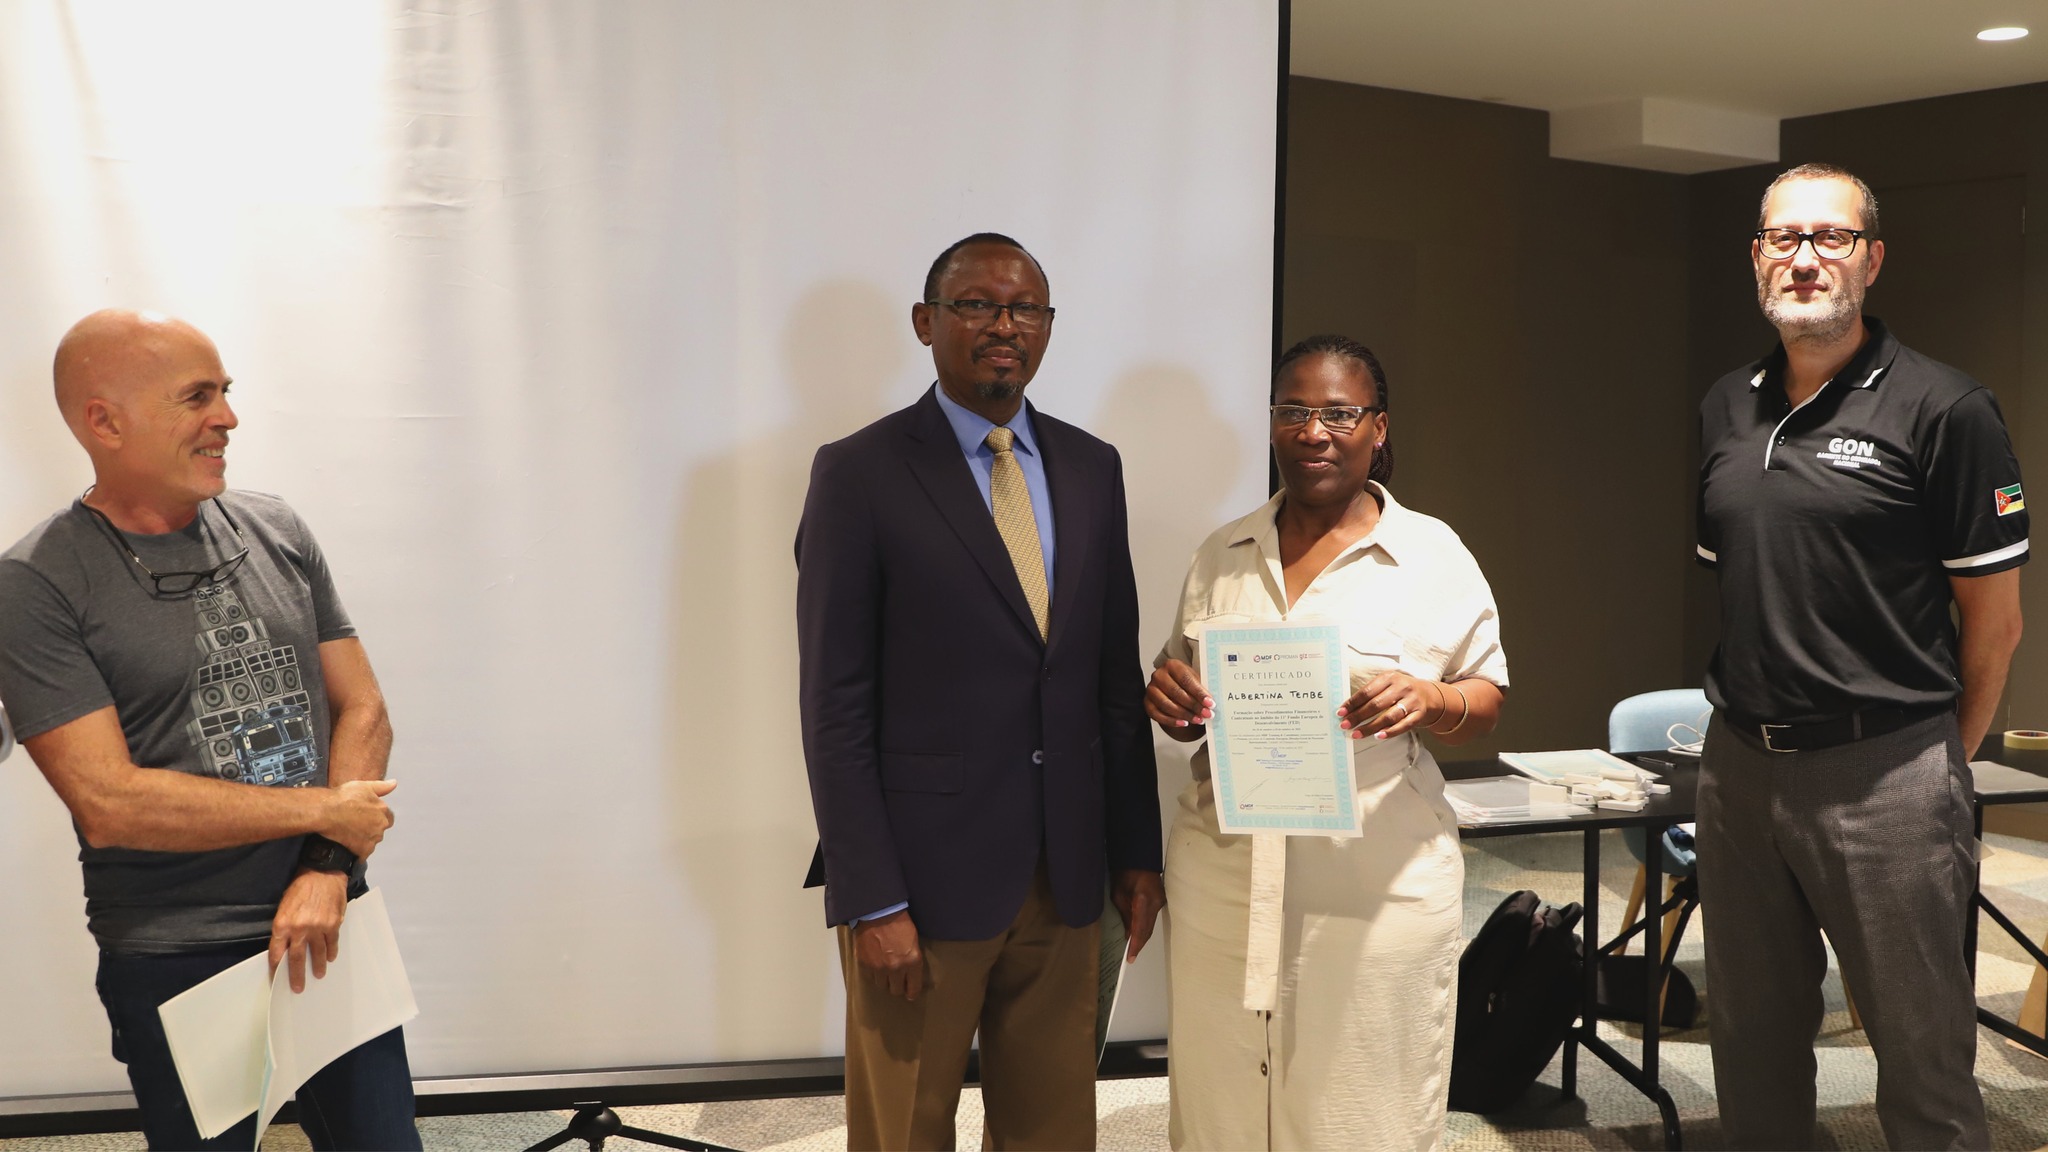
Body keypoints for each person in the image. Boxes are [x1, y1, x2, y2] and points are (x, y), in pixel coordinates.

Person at [0, 310, 419, 1151]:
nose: (227, 417)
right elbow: (110, 803)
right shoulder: (36, 584)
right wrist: (328, 814)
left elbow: (363, 706)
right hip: (178, 953)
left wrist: (327, 866)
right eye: (197, 397)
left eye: (224, 392)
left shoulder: (276, 528)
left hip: (330, 917)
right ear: (105, 422)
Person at [795, 233, 1165, 1149]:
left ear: (1048, 327)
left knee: (1054, 1131)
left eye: (1025, 308)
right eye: (977, 305)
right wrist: (871, 897)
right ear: (926, 323)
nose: (1005, 325)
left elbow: (1112, 679)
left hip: (1067, 875)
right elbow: (835, 707)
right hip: (919, 886)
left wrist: (1136, 852)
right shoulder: (860, 472)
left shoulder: (1092, 466)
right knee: (905, 1130)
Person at [1694, 163, 2025, 1149]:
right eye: (1783, 237)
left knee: (1921, 1062)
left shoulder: (1946, 409)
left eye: (1829, 237)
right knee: (1749, 1047)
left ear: (1870, 260)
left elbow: (1994, 625)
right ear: (1756, 256)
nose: (1804, 257)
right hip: (1737, 772)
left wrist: (1934, 763)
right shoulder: (1724, 404)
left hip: (1886, 773)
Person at [1146, 334, 1509, 1151]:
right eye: (1294, 411)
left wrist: (1431, 697)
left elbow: (1486, 699)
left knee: (1360, 1102)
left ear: (1379, 428)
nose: (1315, 431)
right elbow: (1182, 687)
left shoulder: (1431, 555)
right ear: (1273, 423)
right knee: (1222, 1097)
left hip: (1375, 879)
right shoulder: (1220, 553)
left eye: (1341, 413)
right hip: (1225, 873)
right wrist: (1169, 699)